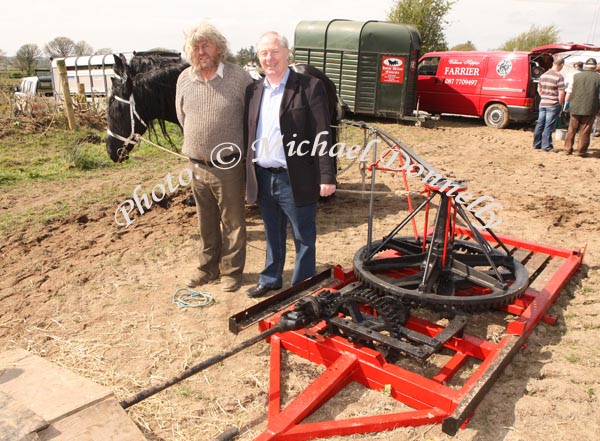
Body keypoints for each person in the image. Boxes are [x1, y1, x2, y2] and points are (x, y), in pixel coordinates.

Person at [244, 31, 337, 298]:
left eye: (274, 52)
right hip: (263, 175)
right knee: (272, 232)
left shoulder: (308, 87)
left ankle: (301, 287)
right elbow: (248, 133)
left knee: (303, 237)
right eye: (263, 53)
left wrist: (326, 176)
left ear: (287, 53)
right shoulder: (253, 91)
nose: (269, 58)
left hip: (296, 177)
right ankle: (271, 278)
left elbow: (322, 133)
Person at [175, 22, 253, 292]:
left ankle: (232, 271)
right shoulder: (184, 79)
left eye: (206, 45)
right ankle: (207, 268)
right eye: (195, 47)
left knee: (233, 221)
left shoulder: (239, 78)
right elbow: (181, 117)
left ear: (219, 48)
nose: (201, 51)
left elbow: (251, 119)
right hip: (196, 164)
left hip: (229, 164)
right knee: (205, 220)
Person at [563, 57, 600, 157]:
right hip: (590, 108)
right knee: (585, 130)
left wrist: (566, 104)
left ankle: (567, 149)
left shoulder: (576, 76)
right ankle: (581, 151)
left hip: (575, 106)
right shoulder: (598, 78)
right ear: (595, 67)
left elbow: (569, 92)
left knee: (571, 129)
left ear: (585, 66)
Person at [532, 55, 565, 152]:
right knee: (548, 125)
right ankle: (546, 146)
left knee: (540, 124)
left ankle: (536, 144)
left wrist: (543, 96)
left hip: (543, 103)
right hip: (553, 104)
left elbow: (539, 89)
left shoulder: (543, 75)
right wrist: (560, 103)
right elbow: (561, 92)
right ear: (561, 65)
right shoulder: (559, 76)